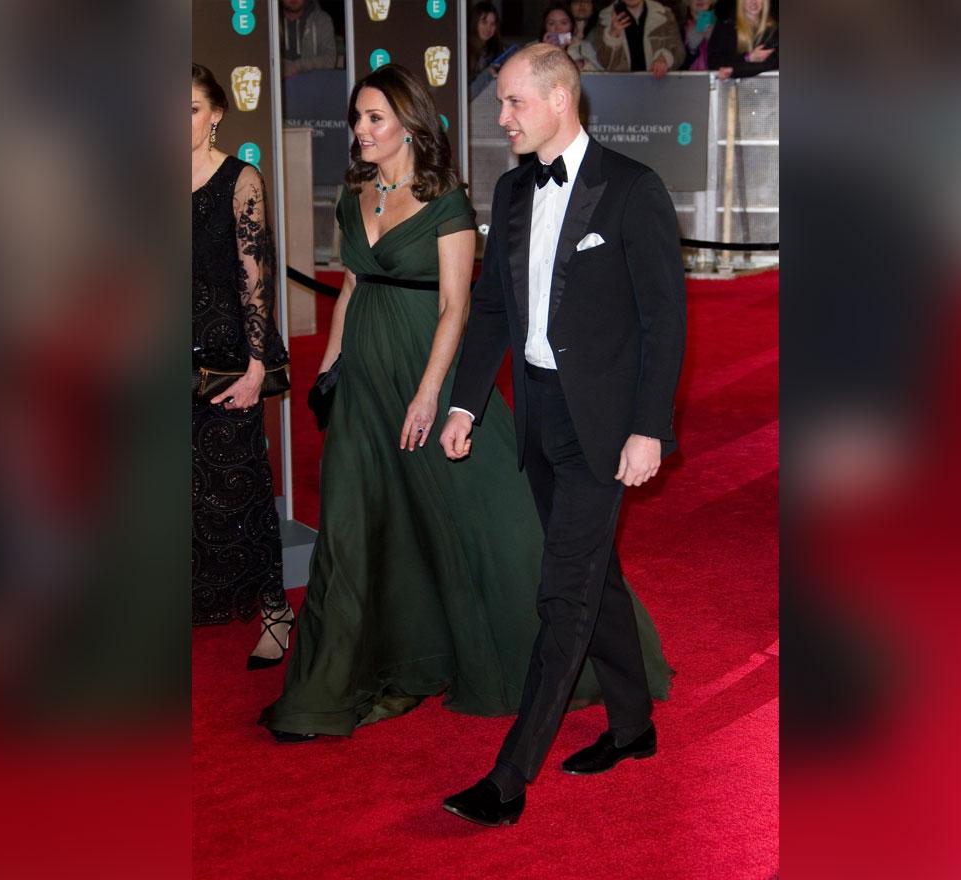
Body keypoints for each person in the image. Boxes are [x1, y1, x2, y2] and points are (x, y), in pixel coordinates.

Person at [260, 63, 672, 742]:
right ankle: (335, 679)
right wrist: (336, 367)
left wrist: (438, 396)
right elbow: (381, 291)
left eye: (374, 118)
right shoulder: (389, 193)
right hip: (378, 375)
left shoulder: (470, 199)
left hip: (484, 383)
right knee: (352, 523)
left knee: (502, 534)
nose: (359, 131)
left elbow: (466, 308)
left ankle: (545, 721)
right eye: (356, 118)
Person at [440, 43, 685, 827]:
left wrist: (649, 428)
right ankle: (633, 725)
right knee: (594, 577)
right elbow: (490, 313)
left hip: (607, 430)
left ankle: (509, 778)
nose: (501, 117)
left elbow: (664, 322)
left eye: (512, 102)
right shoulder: (513, 190)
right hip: (540, 416)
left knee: (565, 592)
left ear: (557, 100)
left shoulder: (631, 189)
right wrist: (465, 405)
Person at [190, 64, 293, 668]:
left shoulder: (240, 179)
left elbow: (258, 281)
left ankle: (276, 608)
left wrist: (257, 368)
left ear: (217, 113)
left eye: (192, 109)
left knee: (243, 488)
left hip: (226, 359)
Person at [591, 0, 685, 76]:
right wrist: (613, 35)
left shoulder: (665, 15)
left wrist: (664, 58)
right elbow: (604, 63)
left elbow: (679, 52)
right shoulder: (604, 18)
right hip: (620, 90)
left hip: (657, 88)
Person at [711, 0, 778, 79]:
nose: (754, 2)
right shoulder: (725, 26)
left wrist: (733, 70)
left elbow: (771, 63)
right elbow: (715, 62)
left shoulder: (773, 29)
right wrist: (749, 57)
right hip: (732, 87)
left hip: (768, 86)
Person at [466, 1, 512, 101]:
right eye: (484, 22)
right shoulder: (464, 52)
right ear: (474, 23)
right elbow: (466, 94)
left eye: (492, 24)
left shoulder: (498, 49)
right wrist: (488, 74)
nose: (488, 28)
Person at [279, 0, 337, 77]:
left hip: (314, 84)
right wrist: (282, 66)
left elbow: (330, 59)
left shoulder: (322, 20)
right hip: (279, 86)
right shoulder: (271, 22)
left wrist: (297, 66)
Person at [541, 2, 602, 72]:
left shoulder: (584, 46)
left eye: (564, 23)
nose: (558, 28)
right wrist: (547, 52)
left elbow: (602, 76)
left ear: (572, 26)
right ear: (545, 27)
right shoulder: (534, 48)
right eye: (551, 23)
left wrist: (581, 62)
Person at [678, 0, 718, 71]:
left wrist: (712, 41)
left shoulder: (722, 27)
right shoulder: (678, 28)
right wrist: (691, 50)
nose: (700, 0)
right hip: (686, 80)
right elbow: (677, 66)